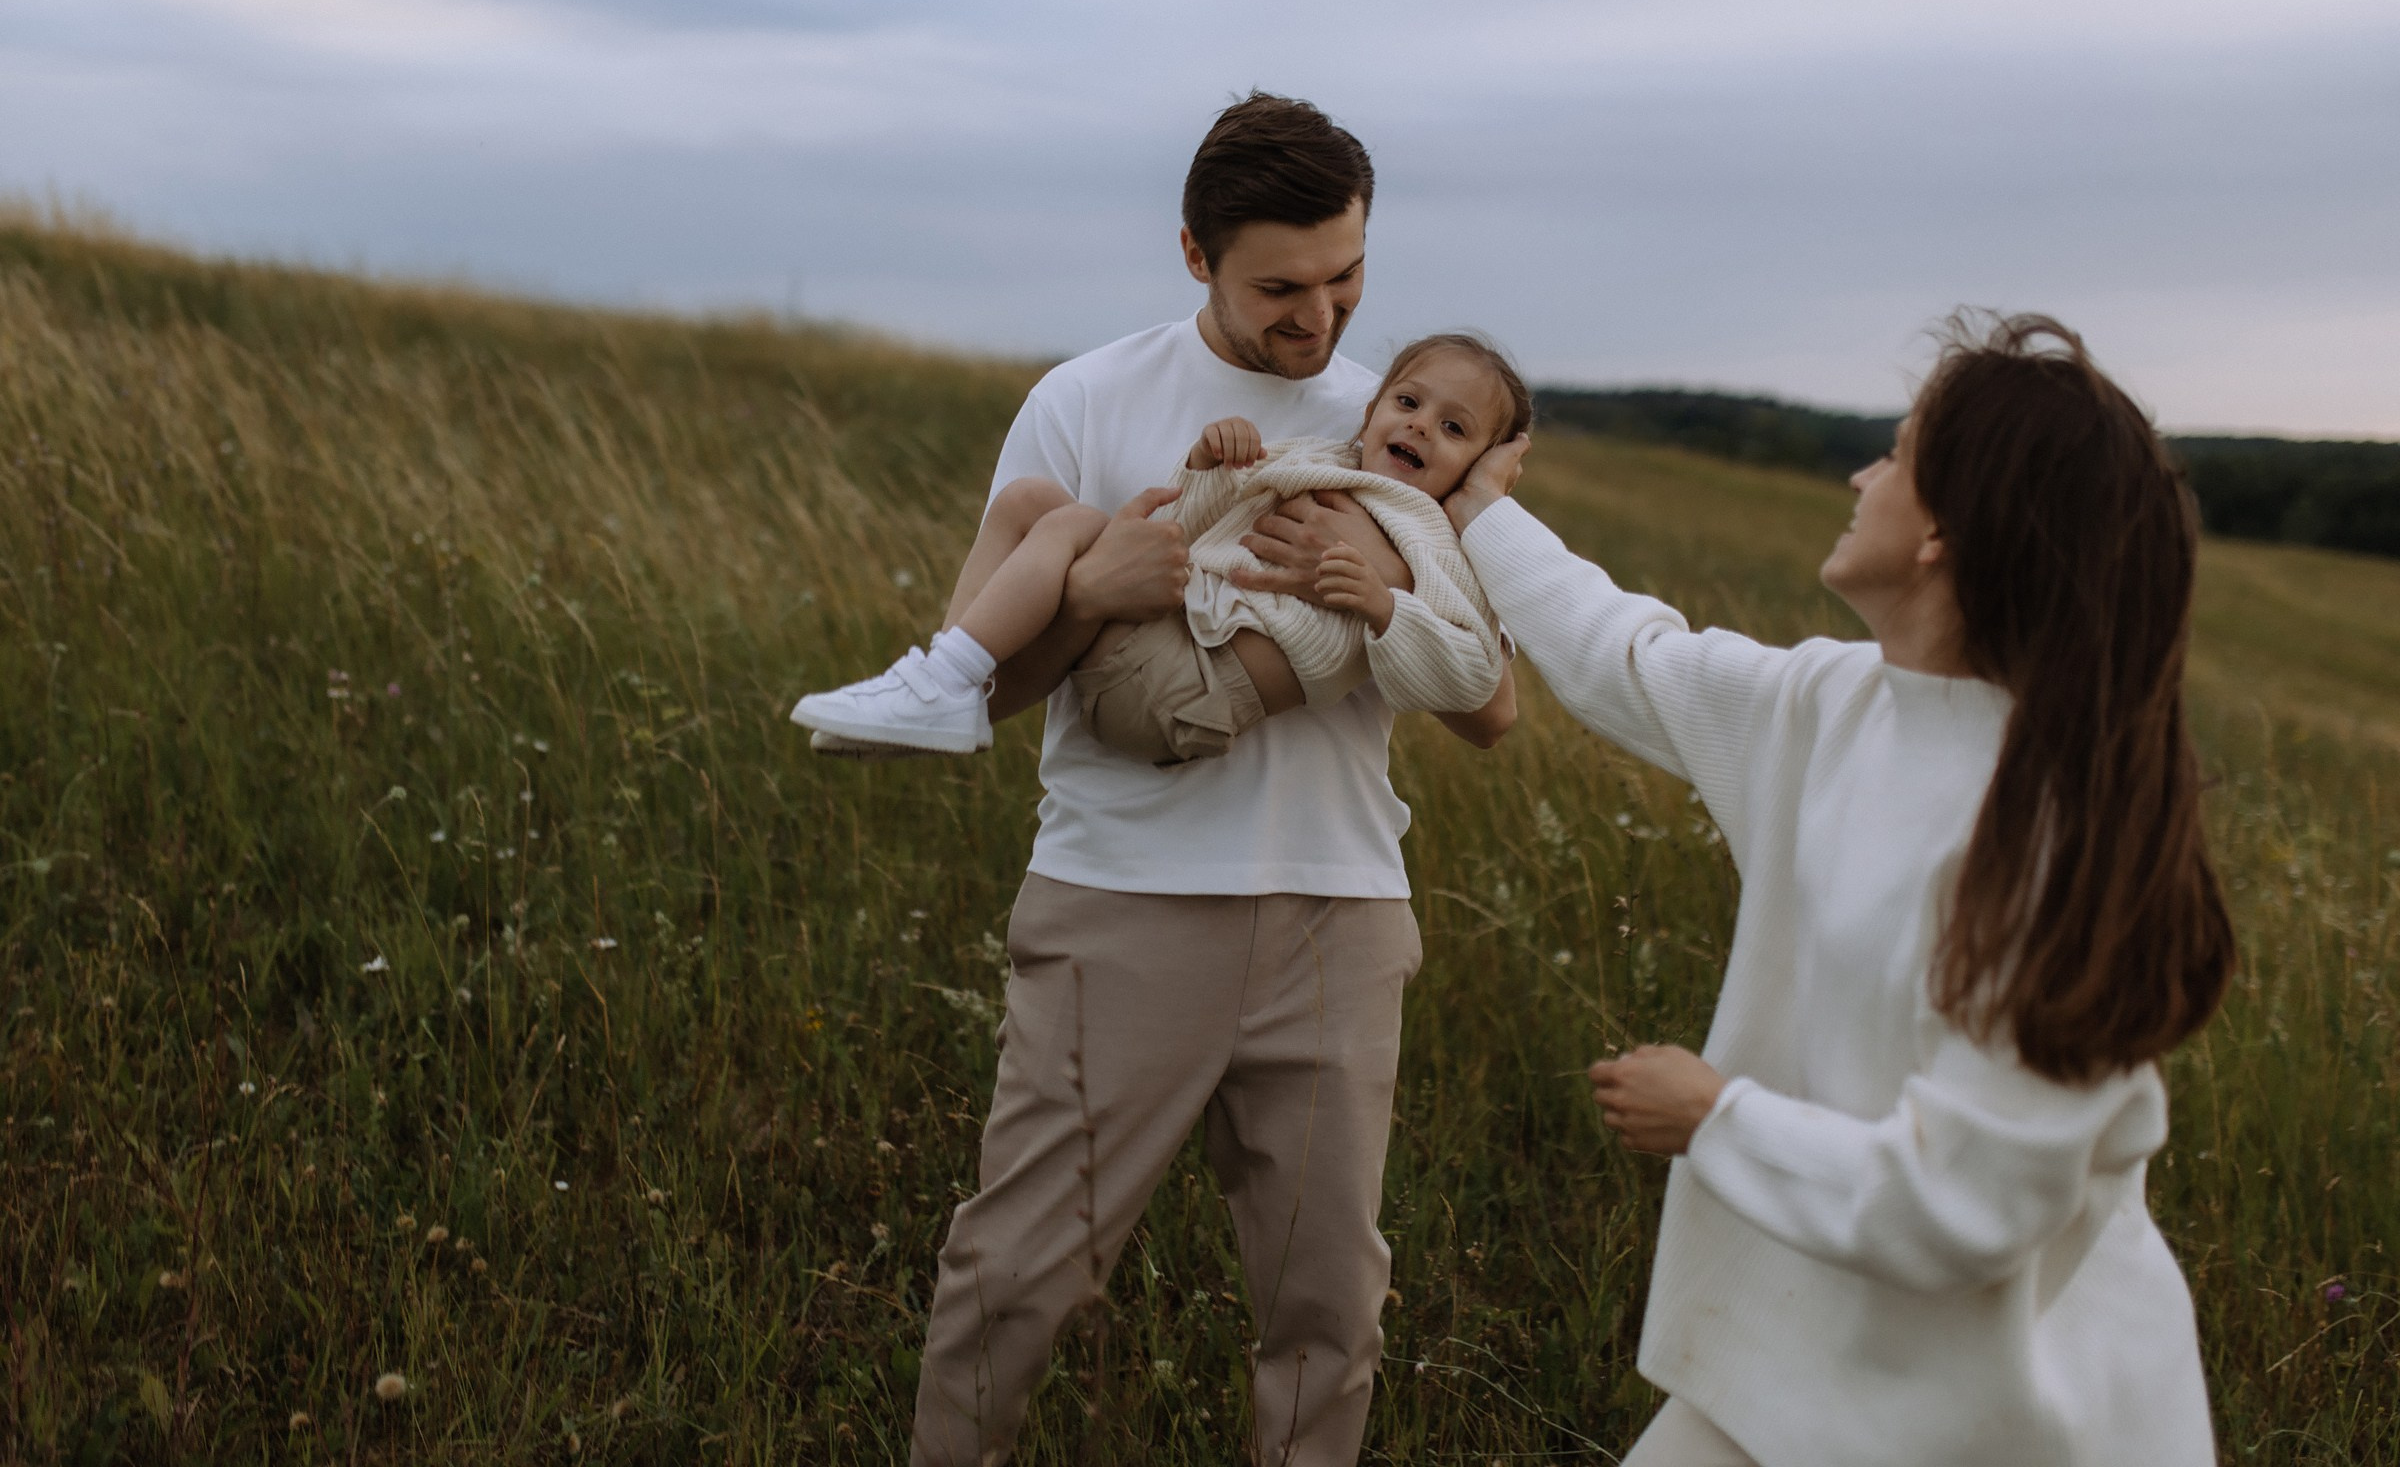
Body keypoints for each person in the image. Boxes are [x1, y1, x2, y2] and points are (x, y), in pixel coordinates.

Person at [1445, 313, 2232, 1466]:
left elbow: (1971, 1204)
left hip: (2015, 1415)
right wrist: (1473, 510)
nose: (1863, 473)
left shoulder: (2041, 836)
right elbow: (1628, 655)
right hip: (1802, 1366)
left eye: (1899, 454)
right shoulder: (1837, 704)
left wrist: (1718, 1117)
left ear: (1943, 535)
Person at [900, 93, 1517, 1467]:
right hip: (1120, 899)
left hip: (1338, 911)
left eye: (1347, 275)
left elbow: (1494, 705)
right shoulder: (1086, 402)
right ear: (1195, 255)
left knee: (1329, 1304)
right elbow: (979, 690)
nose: (1323, 319)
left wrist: (1383, 596)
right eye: (1281, 288)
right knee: (1013, 1276)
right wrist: (1091, 594)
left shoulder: (1410, 422)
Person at [789, 332, 1528, 766]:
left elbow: (1472, 679)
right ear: (1373, 411)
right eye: (1409, 404)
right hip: (1164, 637)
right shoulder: (1321, 456)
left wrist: (1381, 602)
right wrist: (1211, 465)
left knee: (1067, 526)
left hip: (1192, 695)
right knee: (1031, 505)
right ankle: (939, 687)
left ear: (1482, 466)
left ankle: (940, 687)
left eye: (1456, 430)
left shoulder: (1446, 541)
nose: (1423, 426)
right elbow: (1197, 526)